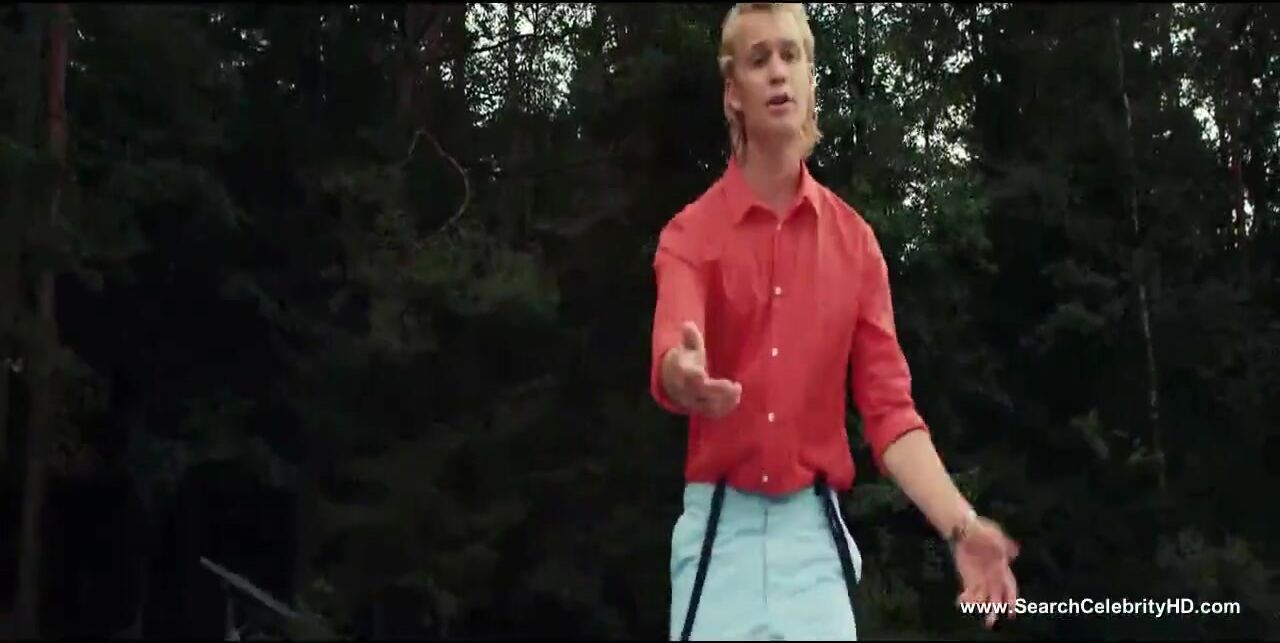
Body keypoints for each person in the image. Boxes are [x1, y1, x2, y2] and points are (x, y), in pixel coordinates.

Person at [648, 3, 1021, 640]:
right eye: (759, 59)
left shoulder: (856, 245)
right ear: (733, 92)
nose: (778, 72)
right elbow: (672, 350)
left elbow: (891, 414)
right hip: (719, 535)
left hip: (813, 541)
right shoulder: (689, 235)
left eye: (790, 55)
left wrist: (960, 525)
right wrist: (682, 373)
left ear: (809, 78)